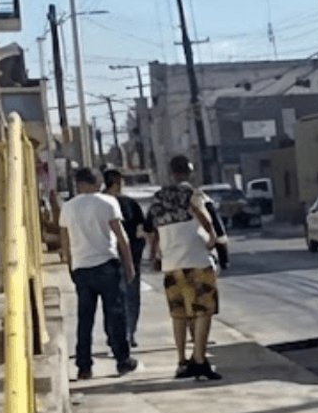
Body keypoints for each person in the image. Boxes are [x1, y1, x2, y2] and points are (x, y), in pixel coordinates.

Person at [147, 156, 223, 381]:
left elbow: (152, 228)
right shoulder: (193, 194)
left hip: (171, 263)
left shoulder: (158, 198)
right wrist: (212, 236)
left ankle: (182, 361)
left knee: (179, 314)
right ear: (189, 171)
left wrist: (154, 253)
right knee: (203, 311)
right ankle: (199, 359)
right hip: (196, 259)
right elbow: (201, 214)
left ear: (171, 171)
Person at [59, 168, 138, 381]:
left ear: (79, 184)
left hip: (81, 267)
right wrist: (129, 265)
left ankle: (84, 365)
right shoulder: (108, 202)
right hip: (107, 264)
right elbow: (121, 237)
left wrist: (70, 266)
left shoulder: (68, 207)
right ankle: (122, 360)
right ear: (97, 182)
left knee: (85, 318)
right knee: (115, 315)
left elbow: (65, 242)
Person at [103, 170, 146, 348]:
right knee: (130, 297)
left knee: (112, 299)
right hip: (125, 257)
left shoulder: (99, 203)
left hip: (108, 257)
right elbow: (141, 231)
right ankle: (127, 333)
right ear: (117, 183)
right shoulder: (128, 204)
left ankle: (117, 334)